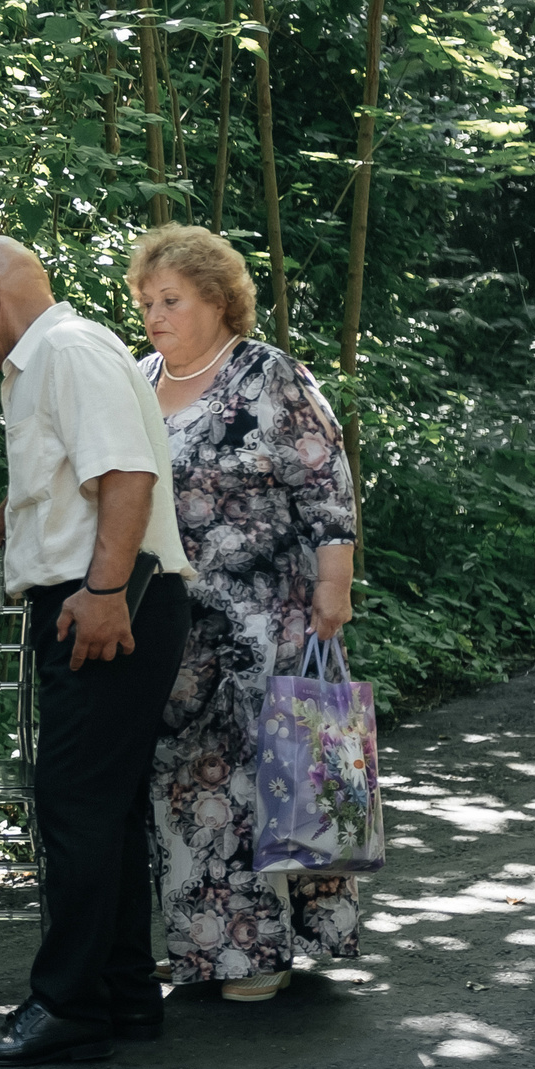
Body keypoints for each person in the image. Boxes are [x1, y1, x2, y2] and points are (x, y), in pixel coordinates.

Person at [0, 235, 194, 1066]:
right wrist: (3, 519)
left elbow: (125, 475)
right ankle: (123, 995)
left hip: (111, 599)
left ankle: (67, 1003)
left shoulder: (65, 350)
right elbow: (72, 481)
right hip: (109, 593)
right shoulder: (54, 358)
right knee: (106, 806)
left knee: (73, 803)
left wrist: (104, 592)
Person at [131, 224, 360, 1002]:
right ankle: (203, 945)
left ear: (220, 301)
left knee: (259, 781)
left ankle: (259, 953)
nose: (155, 313)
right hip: (168, 623)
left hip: (270, 618)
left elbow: (327, 484)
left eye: (172, 299)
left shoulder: (270, 376)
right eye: (146, 299)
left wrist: (336, 584)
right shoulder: (135, 380)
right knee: (181, 789)